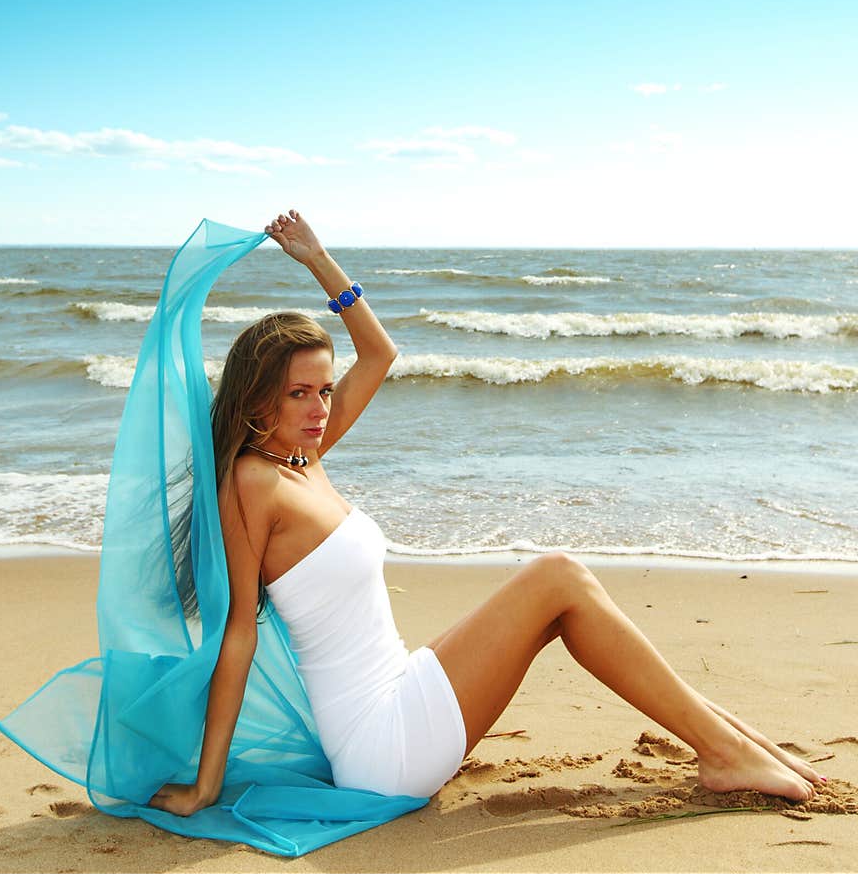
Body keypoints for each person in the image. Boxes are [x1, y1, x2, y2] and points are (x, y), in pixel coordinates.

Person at [148, 209, 823, 817]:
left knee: (564, 597)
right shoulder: (251, 483)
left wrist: (318, 258)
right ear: (256, 398)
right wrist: (208, 786)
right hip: (384, 749)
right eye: (300, 393)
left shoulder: (303, 458)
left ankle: (735, 743)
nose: (321, 410)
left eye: (325, 390)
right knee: (557, 575)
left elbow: (380, 353)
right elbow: (237, 633)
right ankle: (725, 750)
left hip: (400, 689)